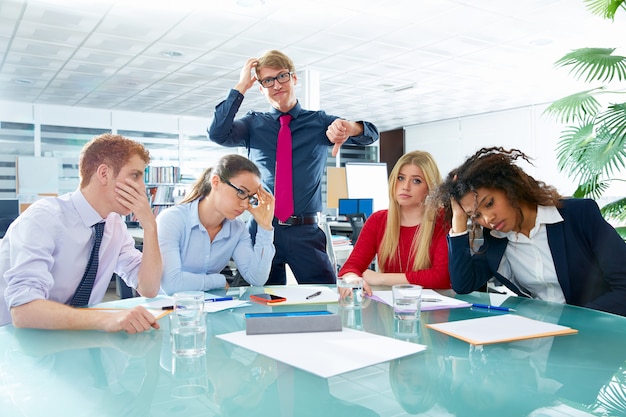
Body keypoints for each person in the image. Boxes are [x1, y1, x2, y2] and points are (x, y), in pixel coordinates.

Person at [208, 49, 379, 285]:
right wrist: (240, 87)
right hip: (263, 230)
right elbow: (217, 133)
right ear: (261, 88)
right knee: (259, 303)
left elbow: (371, 134)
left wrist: (350, 127)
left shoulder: (319, 122)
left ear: (294, 78)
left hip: (306, 233)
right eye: (267, 80)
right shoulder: (253, 124)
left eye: (281, 76)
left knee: (326, 298)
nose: (276, 85)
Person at [433, 146, 626, 316]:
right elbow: (463, 285)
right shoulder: (496, 240)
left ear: (508, 187)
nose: (487, 219)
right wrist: (458, 220)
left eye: (489, 203)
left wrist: (574, 321)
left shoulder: (578, 215)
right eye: (475, 216)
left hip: (595, 335)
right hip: (543, 339)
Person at [0, 133, 162, 332]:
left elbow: (149, 288)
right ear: (104, 174)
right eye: (135, 176)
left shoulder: (114, 225)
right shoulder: (44, 218)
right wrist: (106, 318)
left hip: (72, 337)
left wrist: (150, 227)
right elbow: (23, 311)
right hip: (17, 341)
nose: (142, 188)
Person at [156, 154, 275, 295]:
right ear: (216, 182)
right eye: (241, 192)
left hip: (211, 308)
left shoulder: (237, 229)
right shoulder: (172, 219)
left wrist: (265, 226)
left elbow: (256, 278)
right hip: (168, 309)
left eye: (250, 197)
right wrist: (218, 281)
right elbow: (171, 284)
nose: (245, 204)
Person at [338, 150, 451, 295]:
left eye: (416, 181)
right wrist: (352, 278)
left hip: (434, 309)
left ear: (430, 188)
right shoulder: (378, 220)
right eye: (401, 178)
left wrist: (380, 279)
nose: (405, 186)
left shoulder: (443, 220)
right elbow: (350, 268)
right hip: (389, 307)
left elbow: (441, 277)